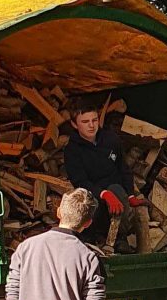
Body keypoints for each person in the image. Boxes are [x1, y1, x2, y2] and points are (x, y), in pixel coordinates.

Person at [63, 100, 147, 245]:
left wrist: (131, 194)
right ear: (75, 124)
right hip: (92, 194)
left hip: (116, 191)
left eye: (94, 120)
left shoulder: (110, 139)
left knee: (116, 191)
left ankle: (120, 239)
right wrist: (104, 194)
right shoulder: (72, 151)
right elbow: (80, 181)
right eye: (85, 121)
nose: (91, 125)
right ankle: (92, 239)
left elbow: (123, 168)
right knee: (90, 204)